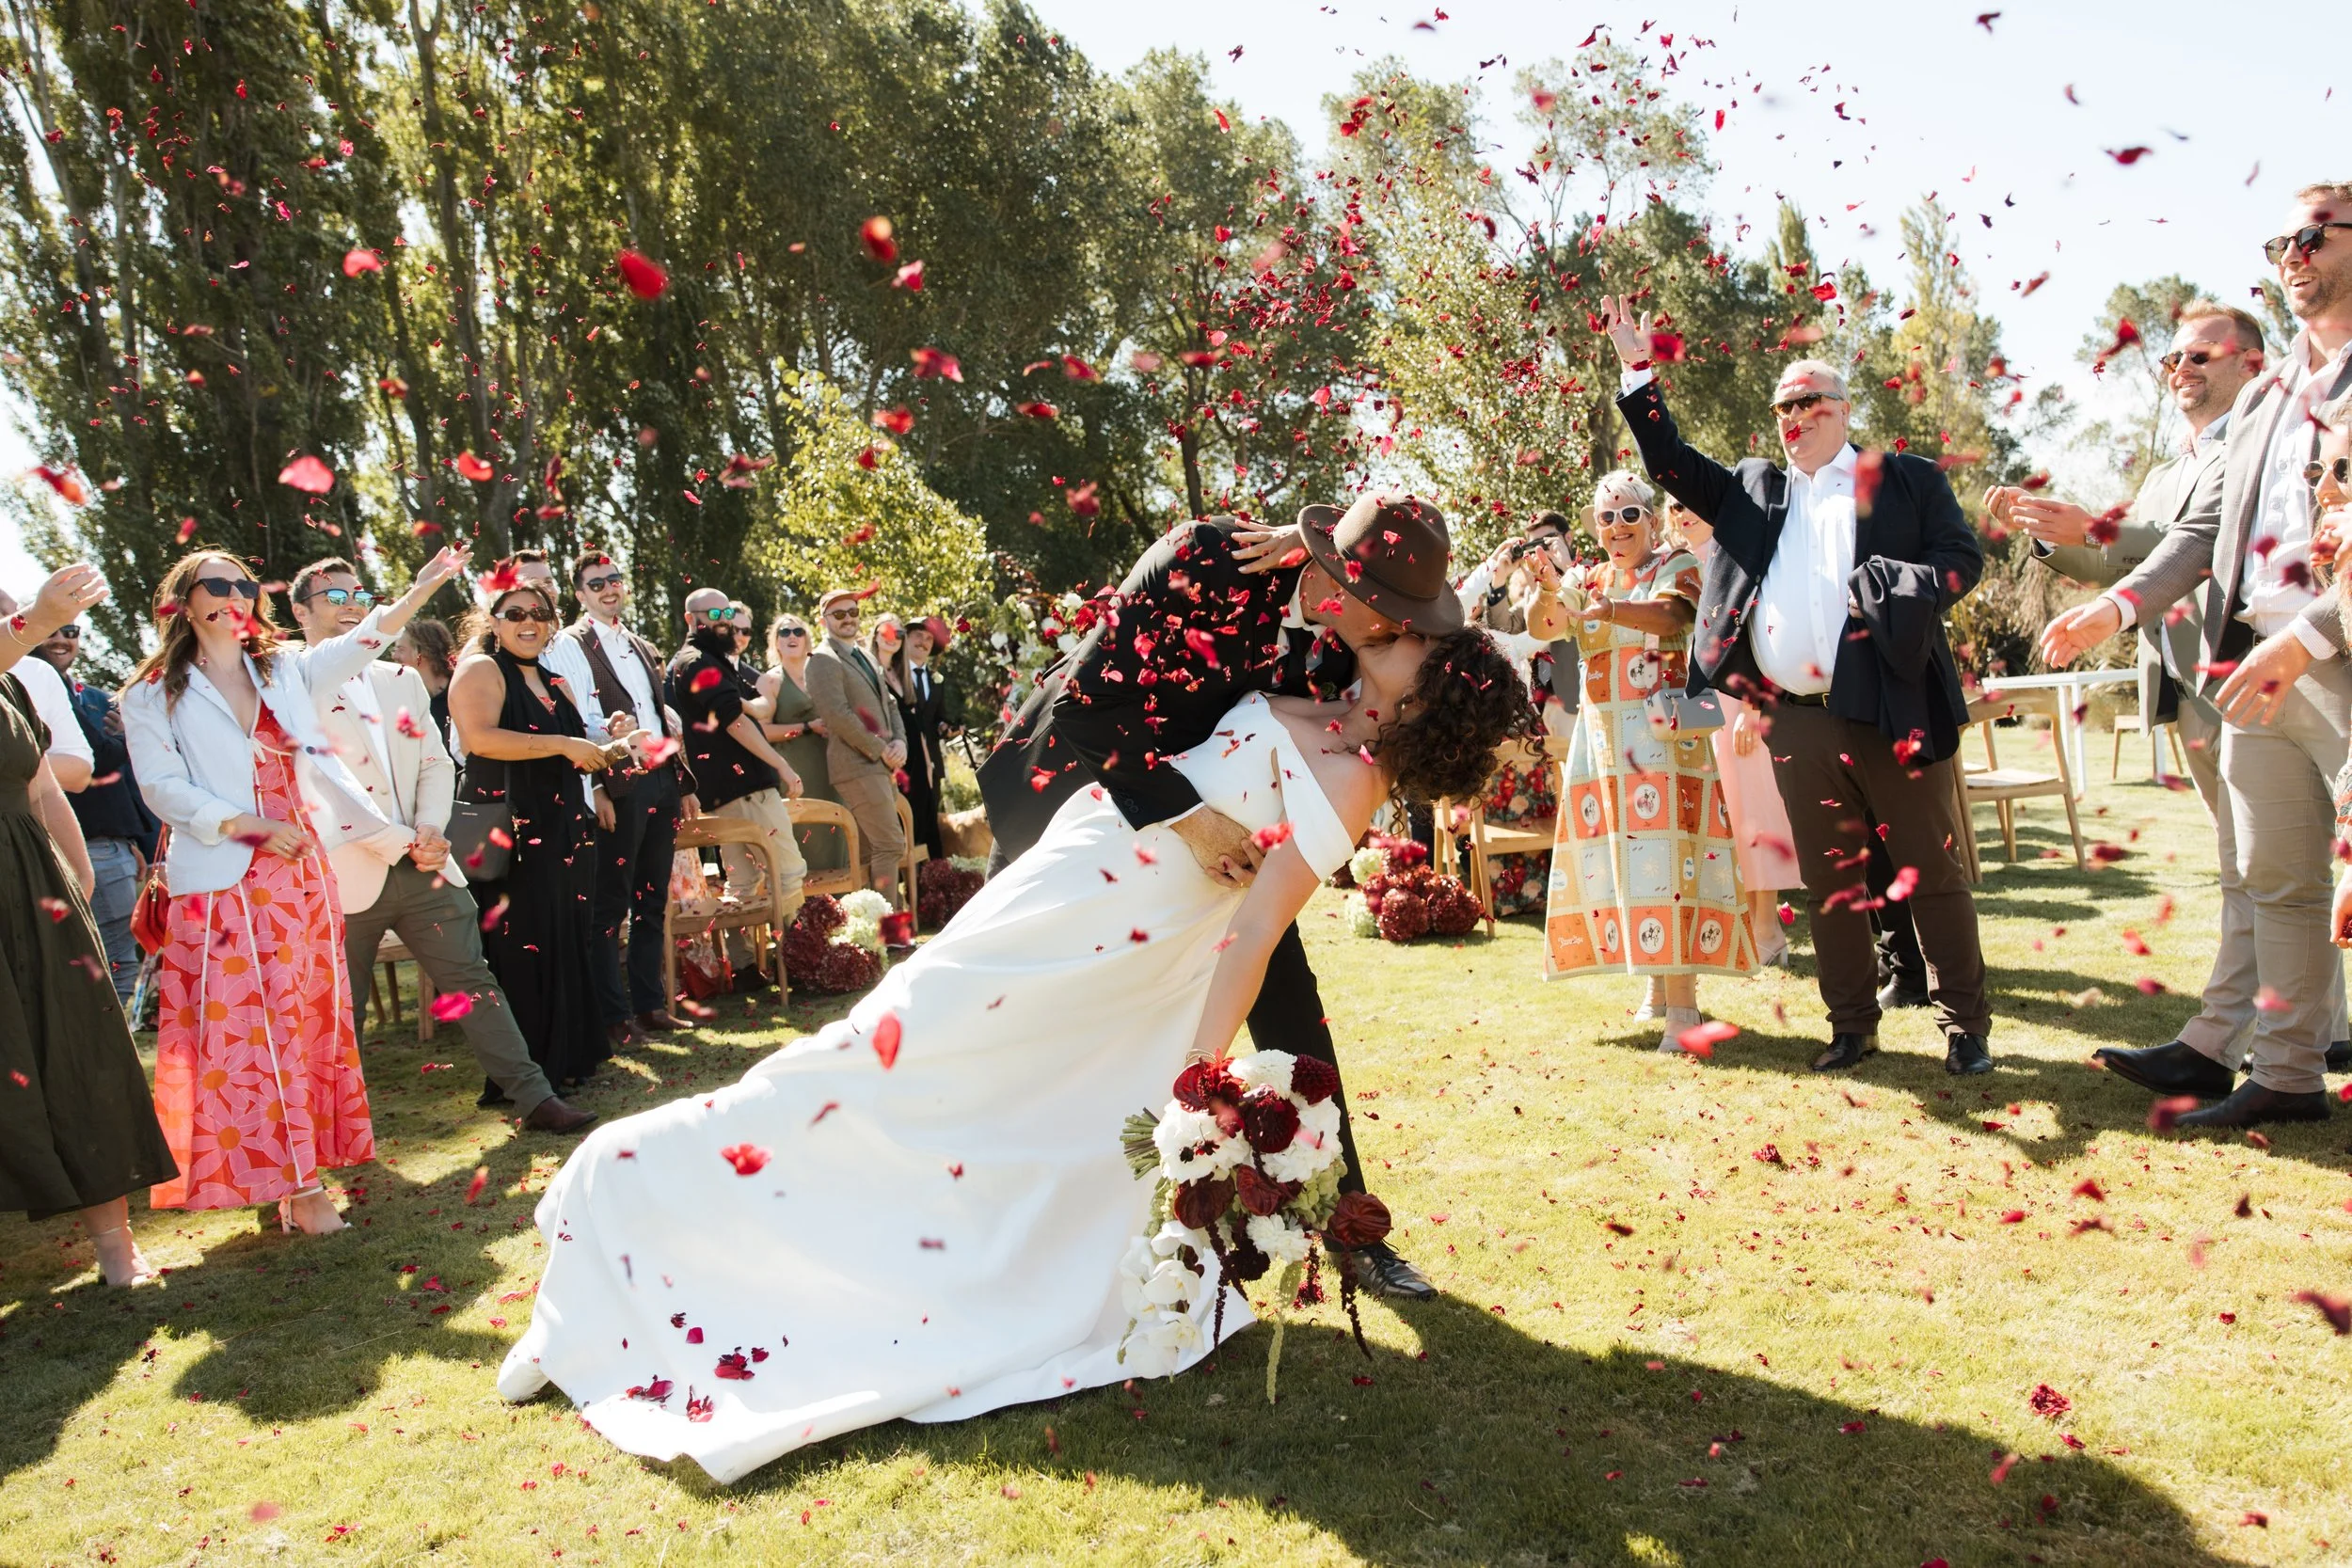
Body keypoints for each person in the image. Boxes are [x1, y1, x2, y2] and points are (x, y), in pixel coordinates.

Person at [495, 573, 1534, 1482]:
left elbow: (1256, 928)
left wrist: (1194, 1074)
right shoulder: (1318, 688)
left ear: (1428, 695)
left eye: (1409, 645)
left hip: (1113, 949)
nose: (1386, 635)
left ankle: (648, 1197)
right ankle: (629, 1190)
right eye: (1396, 627)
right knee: (877, 1046)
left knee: (936, 1088)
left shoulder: (1355, 777)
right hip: (1075, 873)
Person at [977, 497, 1459, 1301]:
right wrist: (1192, 822)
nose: (1407, 631)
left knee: (1293, 1008)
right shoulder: (1206, 559)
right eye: (1397, 613)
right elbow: (1087, 708)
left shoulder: (1361, 647)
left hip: (1227, 864)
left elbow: (1458, 638)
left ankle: (1354, 1228)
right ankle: (994, 1207)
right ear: (1340, 575)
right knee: (1009, 1011)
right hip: (1080, 808)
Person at [1600, 296, 1993, 1076]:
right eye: (1784, 404)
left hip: (1890, 705)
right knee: (1830, 882)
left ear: (1845, 410)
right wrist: (1637, 372)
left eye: (1811, 400)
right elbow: (1669, 460)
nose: (1795, 414)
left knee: (1931, 869)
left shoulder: (1906, 480)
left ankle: (1965, 1029)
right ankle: (1851, 1027)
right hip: (1796, 721)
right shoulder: (1753, 490)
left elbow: (1963, 559)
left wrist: (1902, 586)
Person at [2041, 184, 2352, 1127]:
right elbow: (2200, 533)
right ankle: (2289, 1074)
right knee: (2279, 880)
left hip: (2333, 656)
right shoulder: (2264, 399)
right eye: (2277, 243)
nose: (2291, 256)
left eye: (2310, 237)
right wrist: (2113, 604)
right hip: (2253, 668)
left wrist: (2311, 638)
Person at [122, 546, 463, 1232]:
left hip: (301, 872)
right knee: (247, 1034)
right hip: (224, 879)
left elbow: (363, 640)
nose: (232, 595)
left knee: (307, 1024)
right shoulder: (152, 691)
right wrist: (245, 825)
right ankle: (299, 1188)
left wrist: (421, 589)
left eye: (243, 584)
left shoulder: (284, 669)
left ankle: (295, 1174)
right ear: (182, 600)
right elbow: (161, 787)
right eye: (213, 584)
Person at [286, 558, 598, 1135]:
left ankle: (534, 1098)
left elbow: (437, 762)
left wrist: (432, 830)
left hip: (426, 862)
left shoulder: (401, 681)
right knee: (337, 1009)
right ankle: (321, 1133)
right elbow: (322, 781)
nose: (351, 601)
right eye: (333, 594)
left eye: (360, 591)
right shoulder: (289, 679)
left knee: (475, 982)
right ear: (300, 611)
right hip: (343, 870)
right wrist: (403, 840)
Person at [1, 563, 176, 1287]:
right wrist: (37, 620)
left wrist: (75, 888)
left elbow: (44, 790)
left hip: (31, 888)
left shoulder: (12, 687)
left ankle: (114, 1241)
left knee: (81, 1053)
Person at [1532, 470, 1756, 1037]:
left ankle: (1683, 1008)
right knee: (1629, 867)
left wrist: (1608, 611)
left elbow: (1672, 617)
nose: (1616, 526)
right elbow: (1546, 626)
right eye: (1605, 517)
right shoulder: (1590, 576)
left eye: (1629, 514)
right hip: (1605, 745)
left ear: (1652, 521)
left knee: (1670, 863)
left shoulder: (1676, 564)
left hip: (1661, 743)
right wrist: (1543, 590)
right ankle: (1657, 993)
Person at [451, 581, 632, 1093]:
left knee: (565, 938)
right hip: (513, 833)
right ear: (493, 621)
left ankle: (569, 1058)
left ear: (552, 622)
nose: (528, 621)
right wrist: (561, 742)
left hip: (563, 828)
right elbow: (479, 739)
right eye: (514, 614)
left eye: (539, 612)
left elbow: (574, 750)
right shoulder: (481, 669)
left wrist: (612, 742)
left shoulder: (554, 681)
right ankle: (528, 1075)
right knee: (522, 948)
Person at [540, 552, 699, 1046]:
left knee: (652, 900)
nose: (609, 588)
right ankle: (613, 1016)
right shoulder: (571, 644)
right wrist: (598, 788)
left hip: (661, 780)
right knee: (609, 907)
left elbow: (652, 710)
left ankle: (651, 1007)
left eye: (614, 580)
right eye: (596, 583)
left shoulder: (634, 641)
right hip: (617, 783)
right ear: (580, 594)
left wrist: (681, 779)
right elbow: (575, 721)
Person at [1661, 498, 1797, 969]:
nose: (1684, 512)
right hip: (1696, 707)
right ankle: (1742, 929)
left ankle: (1767, 929)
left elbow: (1763, 633)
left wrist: (1757, 705)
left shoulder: (1738, 559)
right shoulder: (1673, 566)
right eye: (1674, 505)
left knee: (1756, 812)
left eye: (1692, 502)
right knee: (1723, 818)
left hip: (1741, 703)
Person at [27, 612, 160, 1003]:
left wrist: (137, 840)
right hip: (80, 846)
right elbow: (97, 761)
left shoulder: (94, 697)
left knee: (109, 961)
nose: (61, 638)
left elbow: (122, 783)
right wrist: (133, 737)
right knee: (110, 963)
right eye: (50, 628)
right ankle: (108, 1056)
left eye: (70, 631)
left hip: (109, 844)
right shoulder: (36, 689)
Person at [669, 588, 807, 916]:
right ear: (690, 620)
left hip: (728, 791)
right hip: (746, 790)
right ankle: (801, 960)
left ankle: (747, 965)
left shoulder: (714, 660)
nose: (724, 622)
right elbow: (736, 723)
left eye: (727, 614)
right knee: (787, 873)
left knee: (743, 884)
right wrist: (782, 765)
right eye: (713, 615)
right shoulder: (697, 662)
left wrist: (746, 705)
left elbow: (759, 705)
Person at [804, 591, 909, 904]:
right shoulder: (822, 659)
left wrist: (900, 742)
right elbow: (838, 716)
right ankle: (891, 932)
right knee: (890, 845)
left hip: (881, 764)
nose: (848, 618)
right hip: (857, 764)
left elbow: (889, 703)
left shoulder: (864, 654)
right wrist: (880, 749)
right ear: (823, 620)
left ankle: (871, 934)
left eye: (853, 611)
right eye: (839, 614)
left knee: (870, 852)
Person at [758, 613, 847, 876]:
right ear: (775, 642)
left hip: (831, 769)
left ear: (808, 639)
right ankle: (806, 911)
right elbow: (760, 731)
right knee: (806, 839)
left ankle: (841, 909)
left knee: (837, 834)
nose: (792, 637)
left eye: (798, 631)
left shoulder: (821, 674)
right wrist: (806, 727)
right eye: (784, 632)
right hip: (796, 773)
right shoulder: (771, 680)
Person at [889, 616, 956, 863]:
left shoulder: (936, 680)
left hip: (932, 763)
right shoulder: (892, 674)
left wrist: (945, 727)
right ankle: (907, 880)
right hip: (905, 762)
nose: (924, 642)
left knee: (930, 824)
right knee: (905, 823)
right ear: (905, 638)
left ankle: (931, 884)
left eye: (929, 638)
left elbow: (938, 718)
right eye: (918, 635)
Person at [389, 616, 458, 752]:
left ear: (423, 653)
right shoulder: (398, 699)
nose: (394, 656)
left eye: (401, 649)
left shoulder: (460, 694)